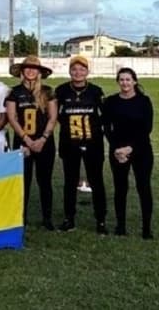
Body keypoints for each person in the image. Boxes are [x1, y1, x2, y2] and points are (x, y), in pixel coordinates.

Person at [55, 56, 107, 234]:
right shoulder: (61, 90)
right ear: (70, 71)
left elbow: (105, 116)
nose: (78, 72)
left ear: (87, 71)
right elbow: (56, 115)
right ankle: (69, 219)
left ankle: (101, 221)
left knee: (96, 181)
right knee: (70, 182)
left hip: (93, 143)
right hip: (70, 143)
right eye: (75, 69)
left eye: (82, 69)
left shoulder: (95, 91)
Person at [6, 56, 57, 231]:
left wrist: (42, 139)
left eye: (34, 68)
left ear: (39, 72)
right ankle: (21, 217)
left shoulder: (47, 91)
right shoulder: (14, 92)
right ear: (22, 71)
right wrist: (27, 139)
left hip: (44, 143)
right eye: (27, 68)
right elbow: (12, 118)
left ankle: (47, 218)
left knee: (45, 181)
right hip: (23, 143)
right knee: (23, 182)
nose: (30, 71)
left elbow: (53, 118)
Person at [103, 67, 154, 239]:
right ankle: (120, 226)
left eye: (128, 79)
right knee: (120, 188)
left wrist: (130, 148)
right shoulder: (111, 101)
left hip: (141, 150)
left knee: (143, 187)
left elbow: (147, 128)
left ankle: (146, 228)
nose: (125, 83)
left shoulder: (144, 101)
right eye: (122, 79)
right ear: (118, 82)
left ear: (134, 81)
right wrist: (117, 148)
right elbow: (106, 127)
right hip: (117, 151)